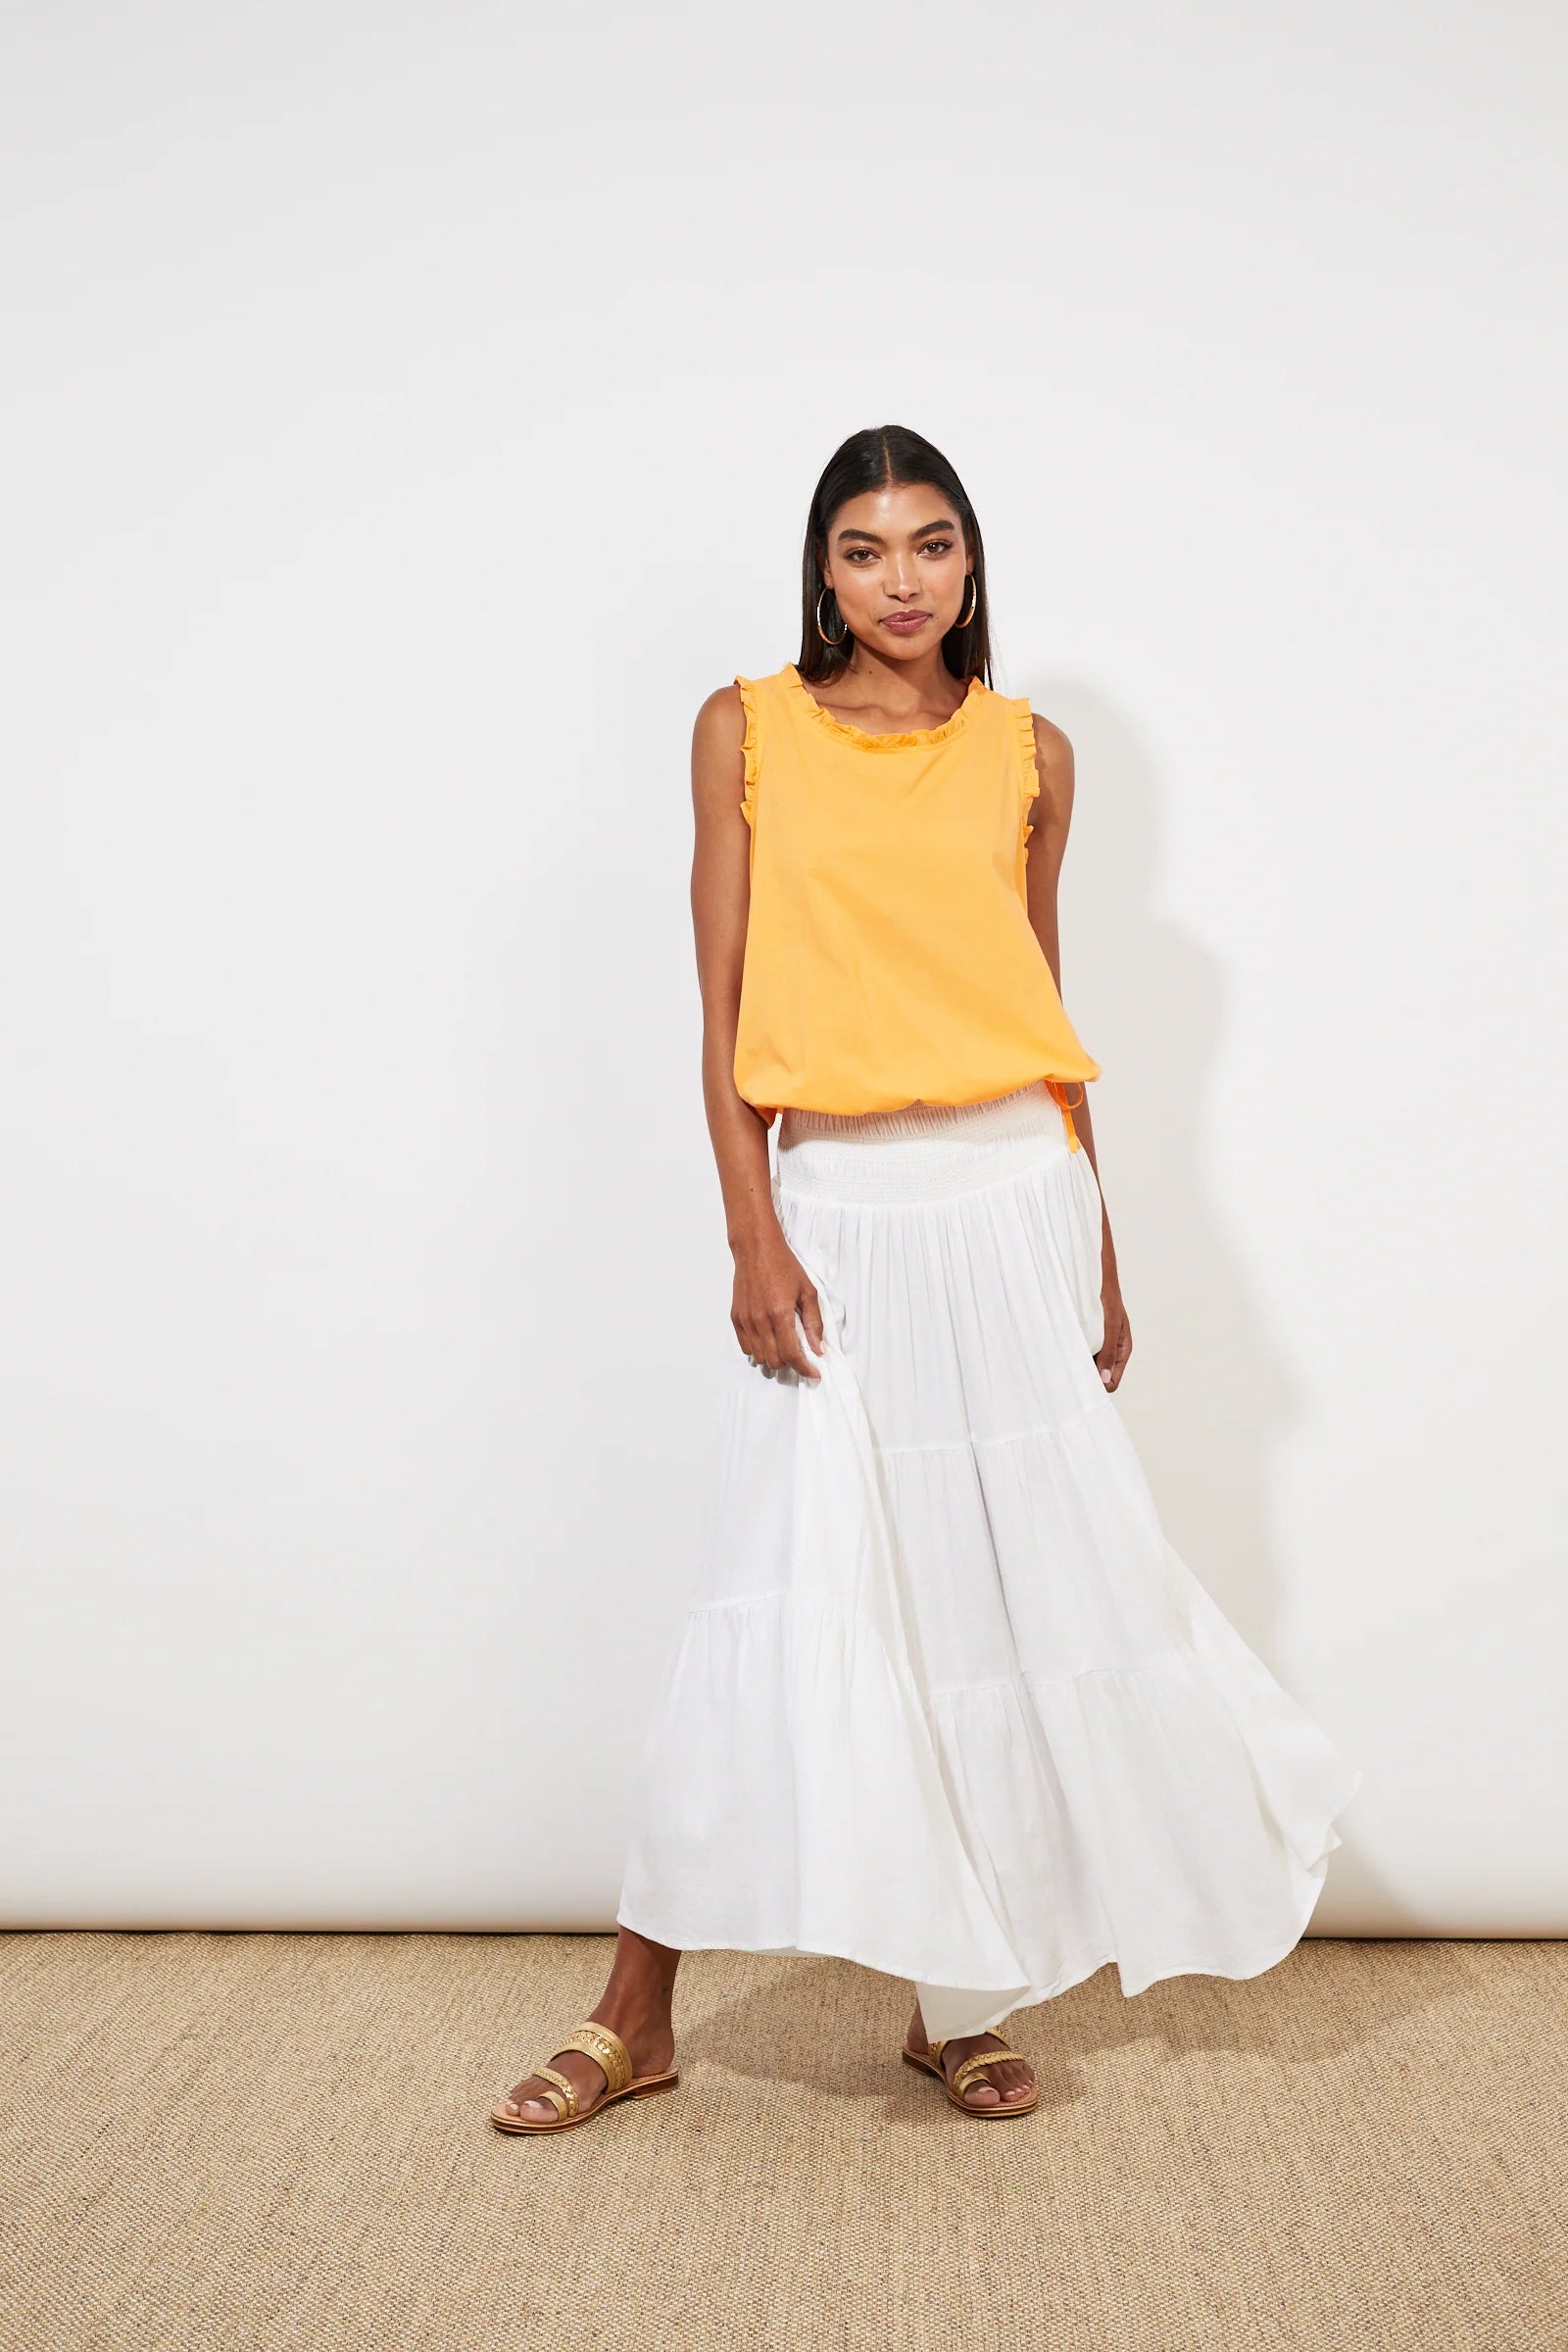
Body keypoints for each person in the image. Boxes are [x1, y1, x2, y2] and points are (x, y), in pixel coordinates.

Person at [491, 423, 1361, 2133]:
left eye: (934, 544)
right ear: (823, 568)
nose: (903, 580)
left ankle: (959, 2001)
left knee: (995, 1605)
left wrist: (1098, 1238)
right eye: (866, 548)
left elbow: (1038, 1001)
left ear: (972, 561)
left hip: (1013, 1193)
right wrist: (752, 1227)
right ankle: (632, 2012)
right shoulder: (745, 730)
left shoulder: (1028, 753)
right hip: (836, 1202)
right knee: (777, 1588)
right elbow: (722, 1008)